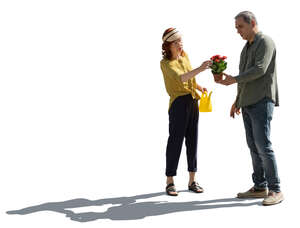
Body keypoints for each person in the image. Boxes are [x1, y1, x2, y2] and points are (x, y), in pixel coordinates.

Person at [217, 11, 284, 205]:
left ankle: (275, 190)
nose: (237, 31)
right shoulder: (246, 48)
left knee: (264, 146)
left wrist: (234, 80)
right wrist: (237, 101)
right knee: (253, 147)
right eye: (236, 27)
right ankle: (260, 186)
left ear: (252, 23)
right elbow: (243, 77)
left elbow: (260, 69)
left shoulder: (265, 42)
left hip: (262, 101)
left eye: (240, 26)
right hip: (247, 102)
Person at [160, 28, 211, 196]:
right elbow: (181, 78)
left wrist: (198, 86)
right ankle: (170, 181)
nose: (180, 44)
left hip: (192, 101)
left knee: (193, 140)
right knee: (175, 141)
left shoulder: (184, 55)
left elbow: (189, 77)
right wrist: (201, 68)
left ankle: (192, 180)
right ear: (168, 46)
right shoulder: (165, 64)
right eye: (176, 42)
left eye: (181, 41)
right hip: (178, 105)